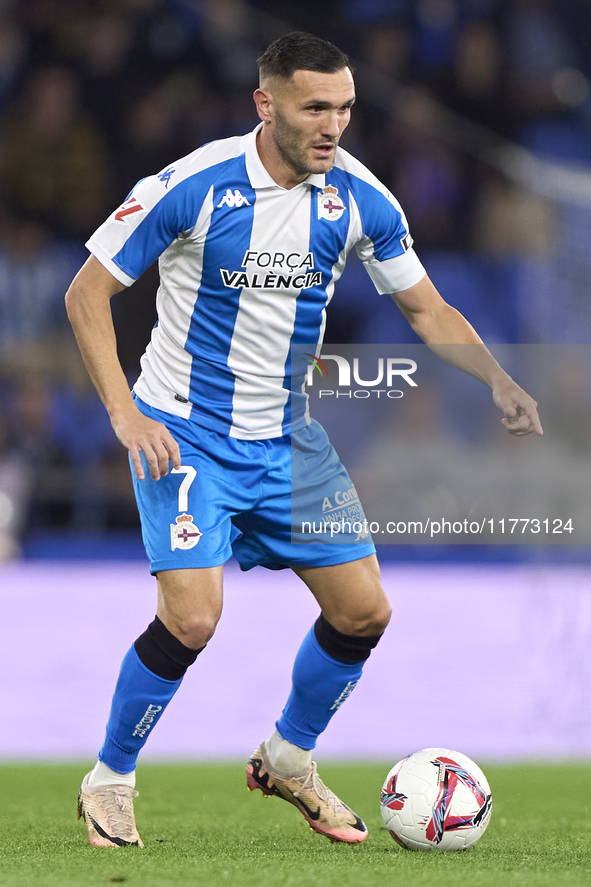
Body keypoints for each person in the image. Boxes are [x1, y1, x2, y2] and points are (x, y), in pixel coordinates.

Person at [65, 31, 542, 849]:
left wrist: (496, 378)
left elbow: (424, 308)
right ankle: (109, 779)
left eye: (345, 108)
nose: (332, 126)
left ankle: (287, 757)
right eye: (314, 107)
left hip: (287, 441)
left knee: (363, 610)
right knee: (191, 619)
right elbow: (87, 291)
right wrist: (123, 413)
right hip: (184, 434)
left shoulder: (359, 198)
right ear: (266, 103)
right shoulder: (193, 186)